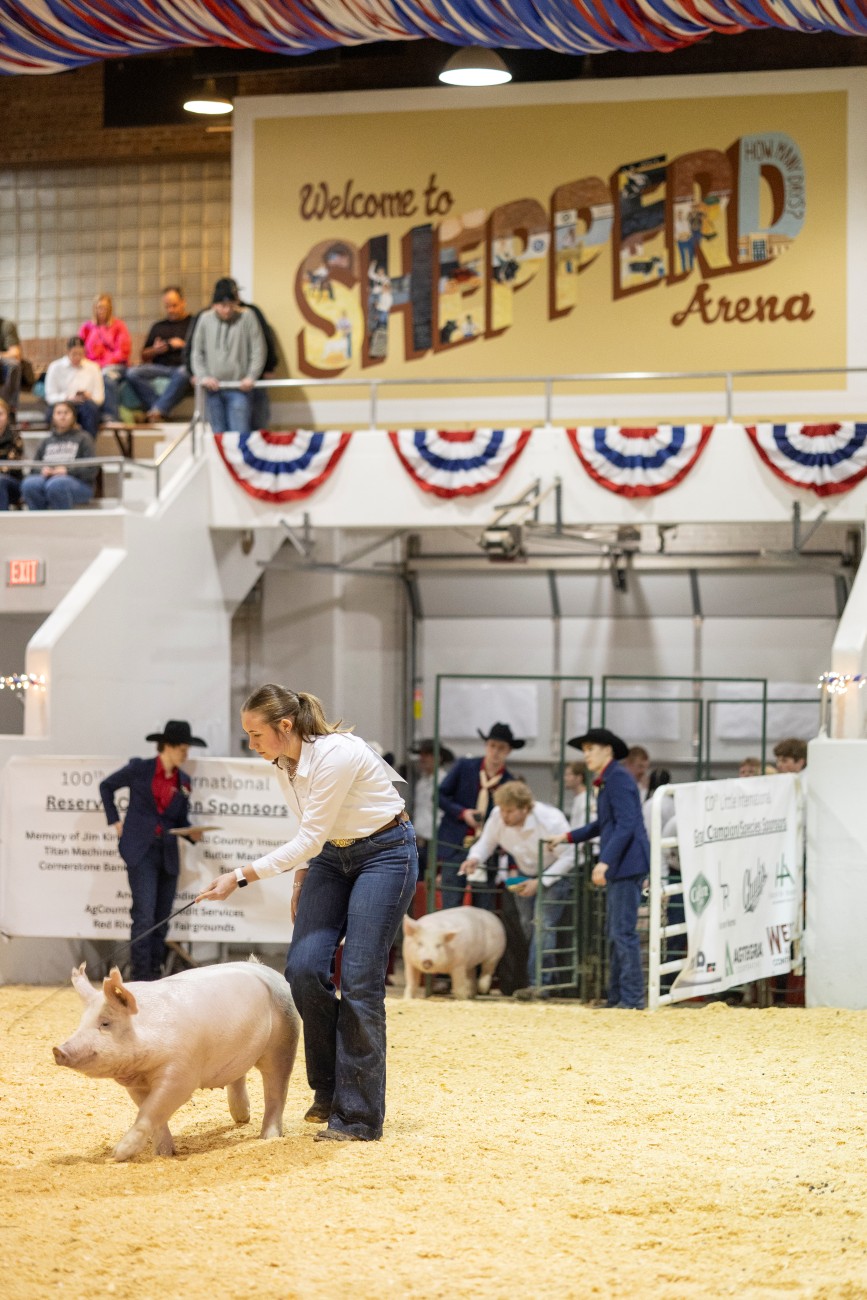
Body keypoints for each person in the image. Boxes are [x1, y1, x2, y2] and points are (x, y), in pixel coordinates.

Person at [196, 684, 417, 1143]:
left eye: (255, 734)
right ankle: (330, 1087)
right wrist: (301, 878)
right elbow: (310, 828)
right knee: (303, 969)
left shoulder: (336, 755)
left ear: (285, 725)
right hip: (331, 858)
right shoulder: (284, 762)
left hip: (386, 853)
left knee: (359, 981)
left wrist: (239, 876)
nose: (251, 744)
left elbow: (309, 837)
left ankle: (358, 1117)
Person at [548, 727, 649, 1010]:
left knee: (622, 932)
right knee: (616, 931)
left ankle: (631, 998)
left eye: (590, 749)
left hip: (626, 863)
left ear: (608, 750)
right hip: (624, 862)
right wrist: (567, 837)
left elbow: (626, 824)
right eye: (585, 750)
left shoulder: (617, 780)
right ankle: (618, 997)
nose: (586, 755)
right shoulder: (611, 779)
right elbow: (605, 824)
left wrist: (605, 861)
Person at [99, 720, 206, 982]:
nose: (186, 755)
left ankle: (155, 975)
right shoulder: (140, 769)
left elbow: (179, 820)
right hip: (141, 850)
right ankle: (140, 977)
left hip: (167, 853)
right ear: (167, 746)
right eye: (182, 749)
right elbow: (106, 786)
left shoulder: (184, 781)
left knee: (161, 918)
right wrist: (115, 821)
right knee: (144, 916)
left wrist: (191, 833)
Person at [461, 781, 576, 999]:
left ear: (525, 808)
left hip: (554, 873)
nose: (504, 816)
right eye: (502, 810)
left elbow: (570, 856)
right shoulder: (498, 815)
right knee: (529, 926)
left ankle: (539, 984)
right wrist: (474, 858)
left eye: (510, 811)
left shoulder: (550, 820)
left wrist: (540, 882)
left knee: (542, 924)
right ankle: (548, 979)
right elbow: (486, 842)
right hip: (525, 872)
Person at [436, 722, 522, 910]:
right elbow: (439, 796)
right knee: (451, 901)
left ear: (508, 751)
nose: (495, 752)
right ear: (486, 746)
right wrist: (462, 813)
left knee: (483, 904)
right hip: (456, 844)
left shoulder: (509, 783)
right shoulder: (465, 767)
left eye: (501, 748)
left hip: (487, 850)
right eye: (492, 746)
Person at [190, 277, 266, 435]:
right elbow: (197, 352)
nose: (227, 310)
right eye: (222, 305)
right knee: (218, 436)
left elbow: (258, 349)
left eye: (231, 305)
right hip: (212, 390)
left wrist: (251, 376)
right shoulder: (204, 319)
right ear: (214, 305)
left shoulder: (248, 316)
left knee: (240, 435)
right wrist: (203, 376)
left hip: (239, 389)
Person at [124, 286, 194, 422]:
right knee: (132, 373)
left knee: (183, 372)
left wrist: (183, 345)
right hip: (160, 368)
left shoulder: (193, 323)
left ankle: (156, 411)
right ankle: (159, 409)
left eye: (174, 305)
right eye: (167, 306)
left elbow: (201, 352)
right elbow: (144, 355)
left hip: (182, 367)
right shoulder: (158, 326)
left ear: (183, 302)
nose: (171, 310)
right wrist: (156, 350)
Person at [20, 401, 98, 510]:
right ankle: (38, 519)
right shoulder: (46, 441)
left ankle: (63, 520)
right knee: (29, 484)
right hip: (48, 479)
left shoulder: (84, 438)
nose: (62, 416)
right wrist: (43, 470)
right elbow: (34, 468)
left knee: (57, 484)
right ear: (53, 417)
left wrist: (67, 471)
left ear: (73, 416)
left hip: (79, 483)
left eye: (66, 413)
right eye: (59, 413)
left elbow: (92, 469)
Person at [79, 293, 131, 422]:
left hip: (114, 366)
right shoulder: (87, 327)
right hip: (91, 367)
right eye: (99, 307)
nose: (101, 311)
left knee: (106, 377)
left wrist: (103, 364)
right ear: (94, 308)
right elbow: (80, 350)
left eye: (105, 308)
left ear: (110, 309)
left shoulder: (119, 325)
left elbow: (123, 352)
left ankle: (111, 416)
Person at [411, 738, 455, 880]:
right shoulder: (422, 781)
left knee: (430, 882)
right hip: (420, 839)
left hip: (435, 840)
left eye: (427, 754)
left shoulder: (444, 781)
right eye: (421, 754)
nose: (422, 758)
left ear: (438, 757)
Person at [43, 336, 105, 437]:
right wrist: (67, 397)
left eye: (80, 354)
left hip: (85, 404)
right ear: (67, 352)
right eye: (74, 354)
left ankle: (87, 443)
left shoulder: (93, 368)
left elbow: (99, 398)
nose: (77, 357)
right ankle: (58, 442)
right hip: (63, 402)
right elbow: (50, 397)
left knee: (91, 410)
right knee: (57, 412)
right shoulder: (55, 367)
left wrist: (89, 396)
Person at [0, 397, 24, 510]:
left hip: (12, 481)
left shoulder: (15, 436)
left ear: (7, 416)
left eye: (0, 414)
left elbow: (9, 466)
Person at [0, 314, 22, 411]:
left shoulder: (5, 325)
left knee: (13, 364)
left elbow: (15, 353)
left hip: (2, 364)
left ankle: (10, 408)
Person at [563, 760, 588, 828]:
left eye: (569, 775)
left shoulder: (586, 800)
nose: (565, 778)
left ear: (579, 778)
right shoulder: (578, 798)